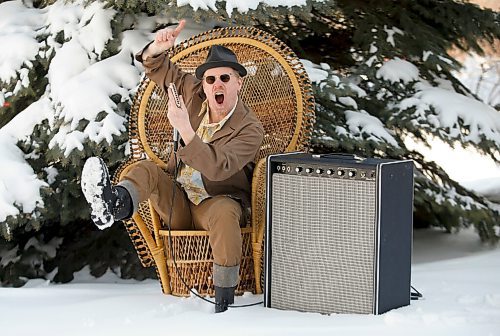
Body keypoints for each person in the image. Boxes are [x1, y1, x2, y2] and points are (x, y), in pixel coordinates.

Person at [81, 19, 264, 313]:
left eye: (225, 79)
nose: (217, 85)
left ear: (239, 82)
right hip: (178, 200)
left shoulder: (250, 128)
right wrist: (158, 47)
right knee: (146, 170)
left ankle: (225, 299)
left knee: (225, 212)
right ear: (203, 84)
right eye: (210, 79)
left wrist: (186, 130)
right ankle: (113, 204)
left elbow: (220, 168)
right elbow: (157, 68)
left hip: (215, 204)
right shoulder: (193, 94)